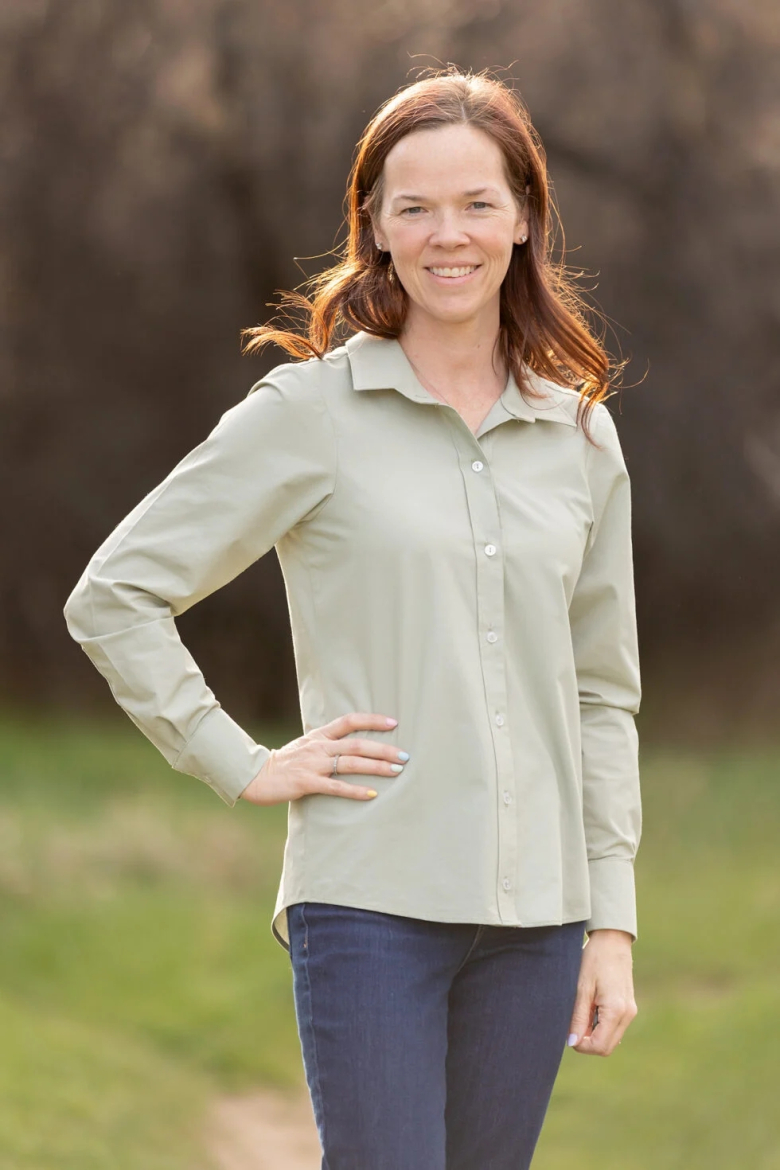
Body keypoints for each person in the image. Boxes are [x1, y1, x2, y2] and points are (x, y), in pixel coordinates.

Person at [64, 67, 641, 1170]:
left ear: (524, 218)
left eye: (477, 203)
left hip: (538, 921)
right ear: (374, 227)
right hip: (369, 904)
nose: (448, 235)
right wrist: (237, 759)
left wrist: (608, 918)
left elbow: (601, 692)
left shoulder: (580, 439)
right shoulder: (311, 414)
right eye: (414, 207)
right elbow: (116, 593)